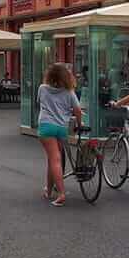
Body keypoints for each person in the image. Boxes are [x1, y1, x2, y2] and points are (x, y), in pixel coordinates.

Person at [37, 63, 82, 207]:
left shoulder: (42, 89)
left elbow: (39, 103)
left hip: (46, 127)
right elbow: (78, 111)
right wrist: (79, 125)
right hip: (61, 129)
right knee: (53, 159)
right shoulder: (69, 92)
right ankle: (49, 190)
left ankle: (61, 193)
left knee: (54, 159)